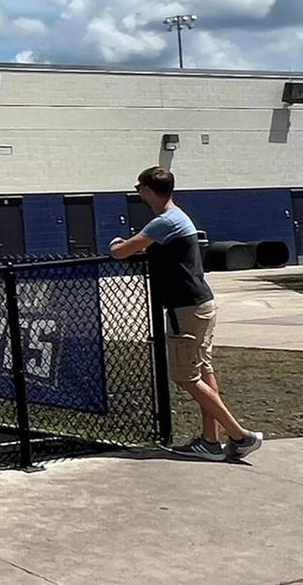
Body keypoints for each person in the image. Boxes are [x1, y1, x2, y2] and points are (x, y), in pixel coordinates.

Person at [109, 166, 263, 461]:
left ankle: (239, 435)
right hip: (200, 303)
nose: (139, 193)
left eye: (140, 188)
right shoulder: (176, 218)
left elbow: (122, 251)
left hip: (186, 308)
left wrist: (116, 242)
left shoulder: (164, 222)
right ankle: (210, 441)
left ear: (148, 190)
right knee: (203, 370)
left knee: (185, 376)